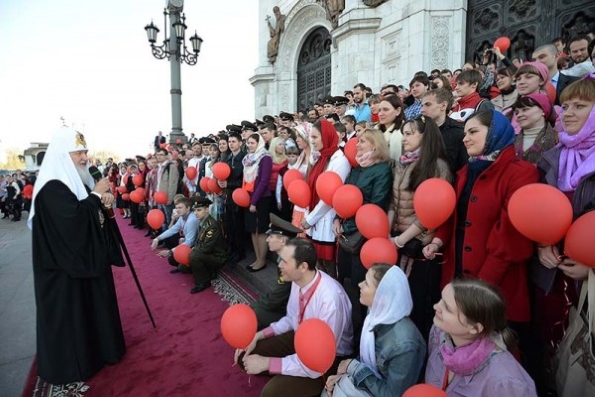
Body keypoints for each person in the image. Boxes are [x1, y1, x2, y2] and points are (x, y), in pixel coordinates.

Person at [424, 110, 539, 331]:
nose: (465, 138)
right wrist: (437, 241)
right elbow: (453, 217)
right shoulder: (465, 172)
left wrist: (478, 289)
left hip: (494, 286)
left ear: (495, 132)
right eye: (465, 132)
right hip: (457, 275)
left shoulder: (520, 173)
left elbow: (510, 238)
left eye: (473, 131)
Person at [28, 127, 125, 385]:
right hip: (61, 273)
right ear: (62, 155)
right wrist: (94, 196)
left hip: (76, 263)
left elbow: (86, 214)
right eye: (79, 152)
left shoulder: (76, 182)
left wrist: (101, 202)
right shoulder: (51, 189)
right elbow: (73, 224)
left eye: (85, 151)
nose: (85, 158)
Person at [532, 76, 595, 393]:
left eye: (581, 106)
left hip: (588, 288)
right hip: (553, 275)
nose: (567, 113)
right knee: (550, 353)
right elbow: (537, 211)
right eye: (566, 105)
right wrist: (541, 242)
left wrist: (592, 268)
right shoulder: (551, 159)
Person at [234, 238, 353, 397]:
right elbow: (291, 319)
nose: (280, 265)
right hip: (301, 339)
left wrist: (268, 363)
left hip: (329, 360)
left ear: (303, 267)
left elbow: (319, 361)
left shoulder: (331, 300)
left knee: (270, 393)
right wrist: (258, 335)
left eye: (284, 261)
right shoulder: (298, 280)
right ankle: (288, 371)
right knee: (244, 357)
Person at [389, 116, 452, 340]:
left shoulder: (437, 166)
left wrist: (400, 240)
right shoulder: (402, 162)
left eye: (409, 133)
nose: (404, 138)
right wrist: (388, 233)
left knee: (418, 308)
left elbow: (431, 213)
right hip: (399, 241)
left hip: (419, 246)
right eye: (403, 133)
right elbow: (393, 203)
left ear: (424, 136)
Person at [323, 264, 426, 397]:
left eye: (366, 283)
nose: (360, 284)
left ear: (381, 297)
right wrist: (344, 376)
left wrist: (354, 368)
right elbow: (368, 359)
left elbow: (391, 395)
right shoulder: (375, 314)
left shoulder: (405, 345)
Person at [425, 279, 537, 396]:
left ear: (475, 328)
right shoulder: (438, 333)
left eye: (447, 308)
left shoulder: (505, 381)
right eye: (441, 299)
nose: (436, 306)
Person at [334, 129, 392, 335]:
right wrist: (337, 219)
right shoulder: (356, 168)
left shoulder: (382, 169)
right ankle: (347, 329)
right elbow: (344, 196)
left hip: (364, 238)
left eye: (363, 142)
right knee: (346, 282)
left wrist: (352, 223)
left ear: (375, 146)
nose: (357, 145)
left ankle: (362, 335)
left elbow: (378, 203)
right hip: (346, 234)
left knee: (361, 287)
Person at [302, 120, 351, 276]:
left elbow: (328, 197)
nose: (312, 141)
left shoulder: (340, 160)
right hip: (315, 220)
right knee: (318, 264)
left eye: (315, 137)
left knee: (329, 266)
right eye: (311, 137)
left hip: (328, 219)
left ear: (326, 136)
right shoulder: (320, 158)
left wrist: (311, 219)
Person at [251, 214, 303, 330]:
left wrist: (253, 306)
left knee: (254, 314)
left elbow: (276, 298)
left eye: (271, 236)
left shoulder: (290, 264)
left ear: (283, 240)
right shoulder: (283, 259)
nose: (267, 239)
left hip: (295, 315)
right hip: (288, 305)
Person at [243, 133, 273, 272]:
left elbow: (263, 181)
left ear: (259, 143)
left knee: (260, 230)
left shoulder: (265, 157)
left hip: (260, 198)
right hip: (248, 197)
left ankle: (262, 260)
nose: (249, 145)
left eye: (252, 143)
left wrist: (254, 201)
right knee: (252, 230)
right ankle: (257, 258)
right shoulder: (248, 159)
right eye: (248, 143)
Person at [421, 88, 468, 174]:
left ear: (443, 106)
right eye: (422, 105)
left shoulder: (459, 132)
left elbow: (464, 168)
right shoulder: (419, 130)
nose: (422, 110)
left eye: (428, 105)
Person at [187, 197, 227, 294]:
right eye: (195, 210)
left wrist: (194, 250)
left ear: (206, 210)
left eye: (199, 210)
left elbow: (206, 248)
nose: (196, 213)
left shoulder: (211, 225)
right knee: (182, 266)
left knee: (194, 256)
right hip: (207, 253)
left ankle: (203, 282)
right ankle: (207, 270)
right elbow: (199, 241)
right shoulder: (203, 221)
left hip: (217, 257)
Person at [151, 197, 199, 270]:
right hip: (188, 243)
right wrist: (157, 238)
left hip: (196, 247)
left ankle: (189, 267)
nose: (178, 210)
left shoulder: (191, 220)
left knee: (172, 259)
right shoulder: (183, 216)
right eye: (177, 208)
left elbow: (190, 242)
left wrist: (170, 251)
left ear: (188, 208)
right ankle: (183, 264)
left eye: (180, 208)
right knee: (170, 241)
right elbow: (172, 229)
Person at [511, 93, 557, 164]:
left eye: (525, 109)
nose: (519, 115)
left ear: (543, 110)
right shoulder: (511, 141)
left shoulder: (558, 139)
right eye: (517, 112)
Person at [376, 94, 405, 161]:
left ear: (398, 111)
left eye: (385, 110)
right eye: (379, 110)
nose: (380, 114)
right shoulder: (376, 129)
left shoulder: (403, 132)